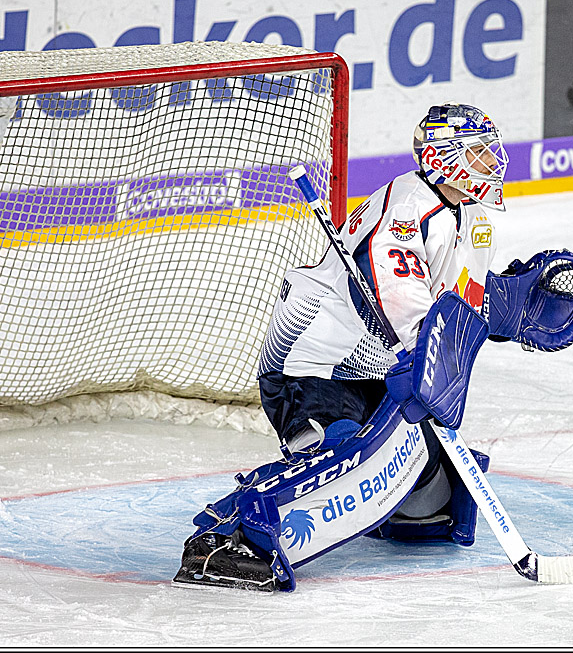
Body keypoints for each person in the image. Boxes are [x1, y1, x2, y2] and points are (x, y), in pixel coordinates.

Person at [173, 102, 510, 591]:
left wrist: (505, 312)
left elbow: (460, 299)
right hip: (313, 365)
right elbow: (402, 301)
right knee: (342, 454)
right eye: (480, 153)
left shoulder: (474, 217)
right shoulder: (406, 209)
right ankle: (229, 537)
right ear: (445, 155)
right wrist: (427, 362)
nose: (493, 163)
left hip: (377, 366)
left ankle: (388, 514)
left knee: (426, 495)